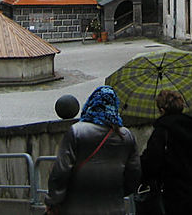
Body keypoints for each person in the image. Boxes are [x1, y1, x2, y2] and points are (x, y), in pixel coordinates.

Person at [45, 85, 141, 215]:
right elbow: (134, 174)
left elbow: (61, 171)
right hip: (114, 208)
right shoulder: (126, 136)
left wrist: (53, 201)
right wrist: (115, 193)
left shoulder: (77, 132)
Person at [139, 89, 192, 215]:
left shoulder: (162, 131)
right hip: (190, 195)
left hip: (169, 196)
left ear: (162, 110)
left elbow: (151, 161)